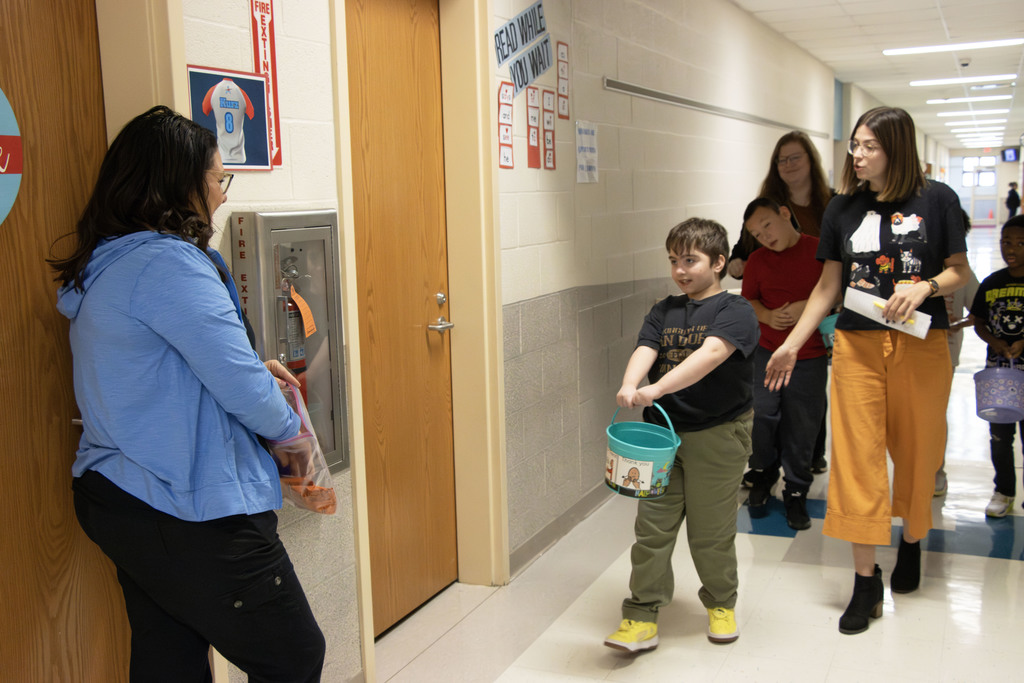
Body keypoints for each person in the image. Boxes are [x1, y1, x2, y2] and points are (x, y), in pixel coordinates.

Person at [49, 106, 326, 682]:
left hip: (124, 495)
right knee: (294, 656)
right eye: (218, 179)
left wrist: (248, 371)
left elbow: (166, 371)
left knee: (169, 660)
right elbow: (246, 393)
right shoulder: (167, 264)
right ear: (180, 183)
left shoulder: (110, 264)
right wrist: (291, 431)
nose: (221, 196)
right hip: (187, 507)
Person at [764, 106, 970, 635]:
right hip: (857, 346)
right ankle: (864, 581)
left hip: (921, 346)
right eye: (855, 144)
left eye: (869, 146)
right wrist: (792, 343)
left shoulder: (938, 200)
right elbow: (828, 286)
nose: (857, 154)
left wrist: (925, 287)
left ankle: (912, 540)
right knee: (856, 458)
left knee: (919, 451)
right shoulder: (843, 208)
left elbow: (959, 271)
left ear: (895, 148)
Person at [603, 218, 759, 652]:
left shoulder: (735, 311)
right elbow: (647, 346)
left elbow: (712, 354)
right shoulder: (664, 309)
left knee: (710, 532)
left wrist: (656, 388)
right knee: (652, 530)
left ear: (719, 262)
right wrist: (631, 383)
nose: (680, 270)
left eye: (690, 260)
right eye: (674, 260)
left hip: (719, 434)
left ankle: (721, 603)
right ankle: (640, 615)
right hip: (662, 437)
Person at [728, 130, 834, 476]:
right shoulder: (765, 206)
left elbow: (839, 277)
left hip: (818, 325)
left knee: (808, 402)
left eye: (794, 157)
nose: (787, 165)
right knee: (766, 406)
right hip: (771, 333)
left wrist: (811, 305)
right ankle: (765, 467)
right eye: (781, 160)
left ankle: (806, 461)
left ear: (810, 160)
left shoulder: (831, 205)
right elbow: (745, 251)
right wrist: (737, 263)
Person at [740, 198, 828, 530]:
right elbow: (749, 301)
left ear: (785, 214)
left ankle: (796, 489)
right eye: (756, 234)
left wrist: (808, 305)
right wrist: (767, 315)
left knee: (802, 423)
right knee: (761, 413)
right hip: (767, 351)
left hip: (810, 354)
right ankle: (763, 471)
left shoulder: (819, 251)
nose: (764, 236)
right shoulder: (757, 261)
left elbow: (837, 290)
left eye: (767, 225)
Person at [969, 214, 1024, 517]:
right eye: (1006, 242)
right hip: (1000, 376)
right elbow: (978, 321)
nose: (1010, 248)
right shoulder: (992, 282)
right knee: (1000, 437)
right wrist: (995, 341)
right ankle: (1003, 491)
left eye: (1020, 243)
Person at [935, 211, 978, 496]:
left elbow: (979, 312)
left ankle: (937, 470)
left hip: (945, 355)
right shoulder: (920, 265)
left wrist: (956, 324)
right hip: (911, 350)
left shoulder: (963, 273)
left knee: (936, 414)